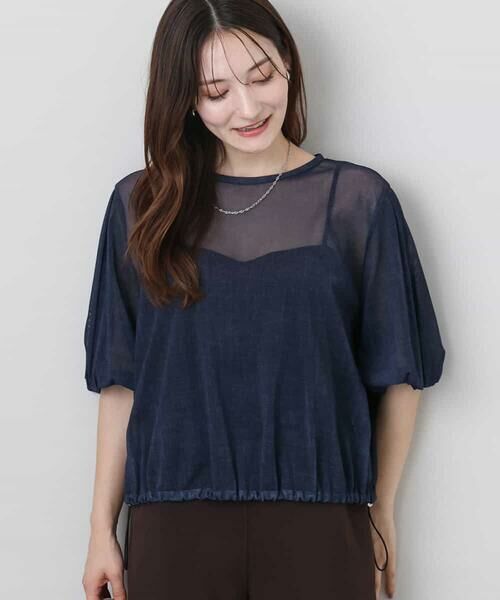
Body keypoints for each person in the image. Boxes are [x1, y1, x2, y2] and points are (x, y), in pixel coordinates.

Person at [81, 1, 446, 599]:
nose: (248, 108)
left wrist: (380, 508)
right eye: (216, 91)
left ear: (289, 66)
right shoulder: (140, 206)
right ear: (186, 98)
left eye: (261, 77)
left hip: (322, 520)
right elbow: (121, 383)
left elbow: (399, 375)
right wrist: (100, 527)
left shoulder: (358, 201)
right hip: (173, 523)